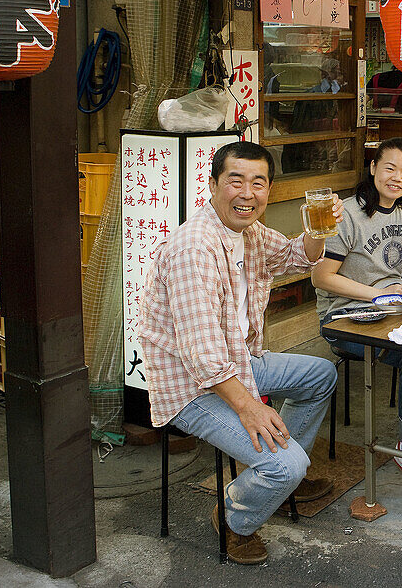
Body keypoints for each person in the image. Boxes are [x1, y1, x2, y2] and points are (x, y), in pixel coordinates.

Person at [139, 142, 340, 565]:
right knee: (283, 466)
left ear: (268, 190)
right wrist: (250, 408)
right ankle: (237, 517)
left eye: (258, 183)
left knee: (321, 374)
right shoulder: (195, 247)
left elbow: (291, 257)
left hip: (238, 363)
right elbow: (202, 356)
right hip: (192, 386)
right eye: (235, 181)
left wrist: (318, 233)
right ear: (212, 184)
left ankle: (284, 475)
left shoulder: (249, 232)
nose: (247, 193)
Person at [312, 138, 402, 490]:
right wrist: (378, 295)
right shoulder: (345, 213)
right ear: (373, 168)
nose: (397, 178)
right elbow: (321, 277)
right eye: (389, 168)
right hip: (344, 317)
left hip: (390, 312)